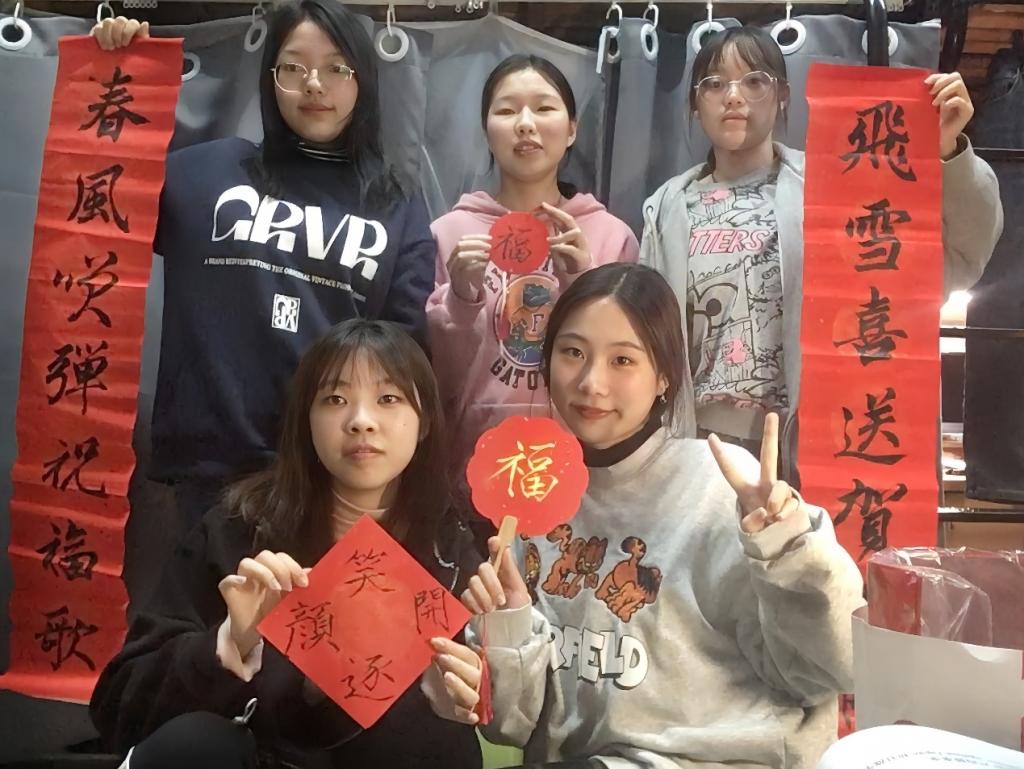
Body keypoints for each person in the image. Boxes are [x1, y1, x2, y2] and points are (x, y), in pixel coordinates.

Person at [428, 263, 865, 769]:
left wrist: (789, 548)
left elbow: (829, 669)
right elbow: (515, 725)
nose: (591, 382)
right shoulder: (531, 496)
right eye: (573, 353)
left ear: (663, 377)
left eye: (622, 360)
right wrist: (506, 630)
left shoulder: (723, 486)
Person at [91, 1, 435, 523]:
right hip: (207, 477)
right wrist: (114, 71)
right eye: (294, 67)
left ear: (362, 80)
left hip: (332, 479)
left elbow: (405, 355)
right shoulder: (205, 172)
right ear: (271, 77)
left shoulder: (395, 203)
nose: (314, 85)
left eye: (336, 68)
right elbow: (99, 200)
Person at [89, 319, 483, 769]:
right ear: (306, 419)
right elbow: (116, 706)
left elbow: (482, 720)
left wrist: (458, 698)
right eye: (335, 399)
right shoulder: (240, 532)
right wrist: (229, 644)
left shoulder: (451, 555)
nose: (361, 421)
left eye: (388, 399)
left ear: (425, 421)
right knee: (199, 742)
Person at [639, 26, 1003, 474]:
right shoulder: (667, 208)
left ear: (783, 95)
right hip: (700, 444)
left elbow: (957, 257)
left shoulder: (836, 189)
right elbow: (646, 338)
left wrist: (946, 153)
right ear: (695, 104)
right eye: (714, 84)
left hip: (818, 443)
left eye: (754, 81)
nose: (733, 97)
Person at [427, 54, 639, 489]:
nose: (525, 124)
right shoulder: (449, 234)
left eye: (544, 108)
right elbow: (435, 376)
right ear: (486, 131)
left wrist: (583, 280)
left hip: (584, 474)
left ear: (572, 129)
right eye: (507, 111)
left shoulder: (610, 235)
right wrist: (461, 300)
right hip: (471, 469)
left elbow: (626, 364)